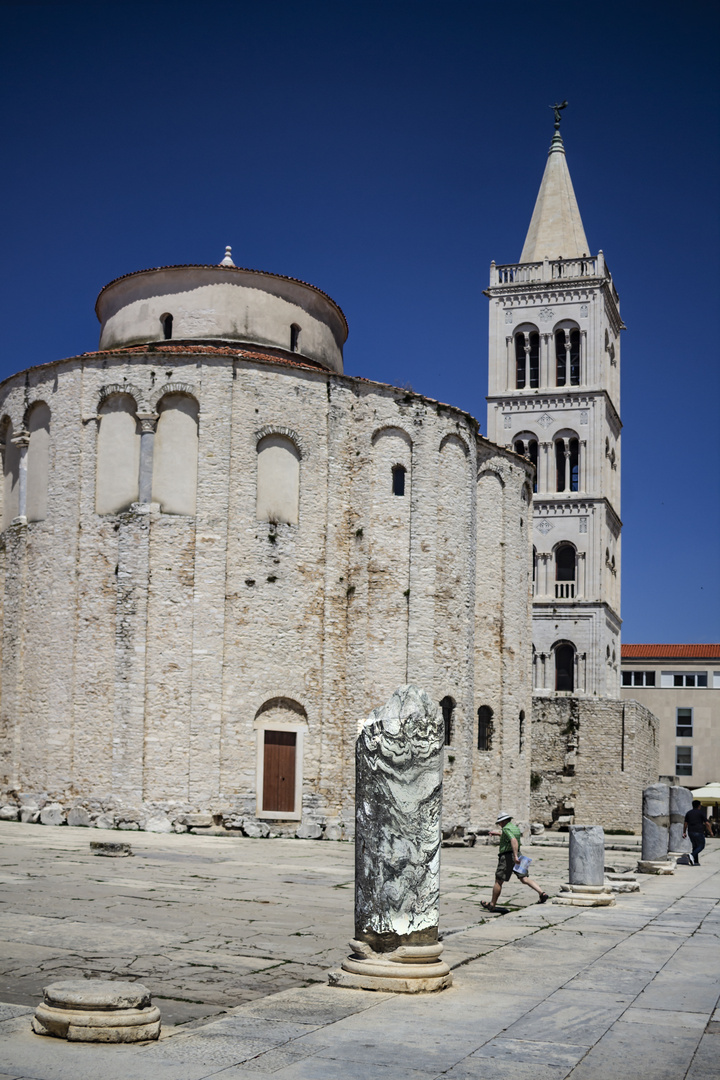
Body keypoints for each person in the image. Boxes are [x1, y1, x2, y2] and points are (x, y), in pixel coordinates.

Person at [482, 812, 548, 911]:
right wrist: (499, 834)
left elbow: (513, 840)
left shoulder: (506, 828)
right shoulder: (514, 828)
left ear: (504, 821)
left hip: (508, 856)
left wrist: (515, 856)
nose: (499, 824)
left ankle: (492, 905)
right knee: (524, 878)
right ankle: (541, 893)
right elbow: (510, 836)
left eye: (500, 822)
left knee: (499, 881)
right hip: (519, 854)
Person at [683, 800, 712, 865]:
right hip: (698, 831)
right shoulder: (701, 813)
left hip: (690, 831)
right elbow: (707, 823)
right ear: (699, 806)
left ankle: (695, 861)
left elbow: (685, 823)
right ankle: (692, 855)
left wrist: (684, 832)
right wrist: (711, 831)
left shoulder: (688, 813)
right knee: (701, 845)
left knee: (695, 846)